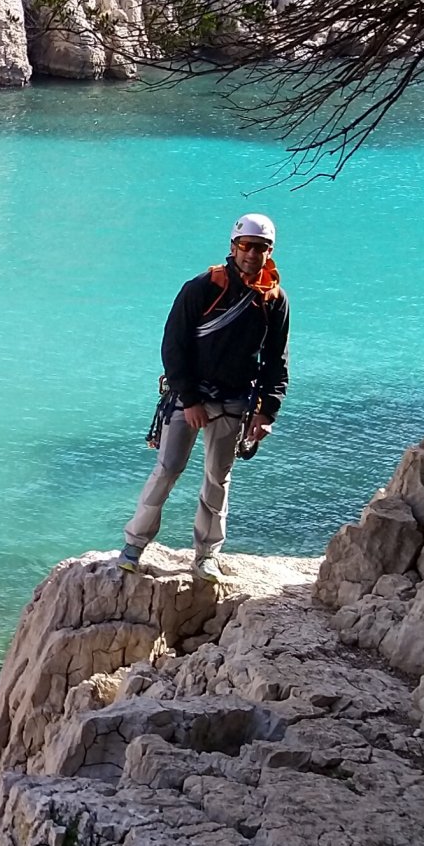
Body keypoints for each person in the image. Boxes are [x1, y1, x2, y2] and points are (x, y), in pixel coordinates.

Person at [118, 213, 290, 583]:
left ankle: (207, 554)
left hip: (235, 400)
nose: (251, 254)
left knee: (218, 478)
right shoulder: (201, 289)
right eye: (245, 246)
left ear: (269, 252)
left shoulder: (273, 300)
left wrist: (267, 412)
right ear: (233, 247)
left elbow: (277, 359)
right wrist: (191, 399)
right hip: (191, 398)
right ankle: (134, 544)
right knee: (167, 469)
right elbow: (174, 346)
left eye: (259, 248)